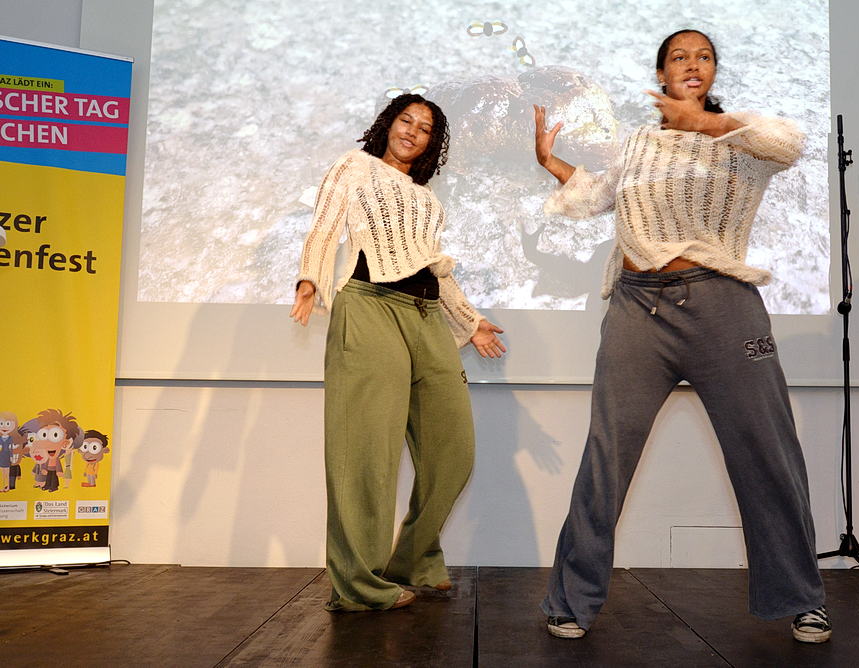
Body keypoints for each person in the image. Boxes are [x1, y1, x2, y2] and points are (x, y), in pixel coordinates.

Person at [533, 30, 830, 643]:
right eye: (679, 57)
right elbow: (599, 198)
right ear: (661, 73)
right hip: (638, 308)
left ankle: (801, 597)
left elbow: (790, 142)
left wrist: (706, 123)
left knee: (766, 452)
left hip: (721, 307)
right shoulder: (639, 142)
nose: (692, 64)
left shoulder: (741, 137)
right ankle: (571, 600)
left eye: (703, 57)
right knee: (606, 454)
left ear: (712, 71)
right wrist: (551, 164)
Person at [291, 93, 506, 612]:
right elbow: (324, 228)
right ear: (388, 125)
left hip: (427, 317)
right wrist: (309, 280)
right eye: (405, 120)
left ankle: (412, 560)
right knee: (365, 453)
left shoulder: (426, 198)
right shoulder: (355, 166)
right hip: (369, 306)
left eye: (425, 128)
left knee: (453, 450)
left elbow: (433, 268)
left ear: (432, 143)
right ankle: (359, 586)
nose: (412, 130)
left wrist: (471, 321)